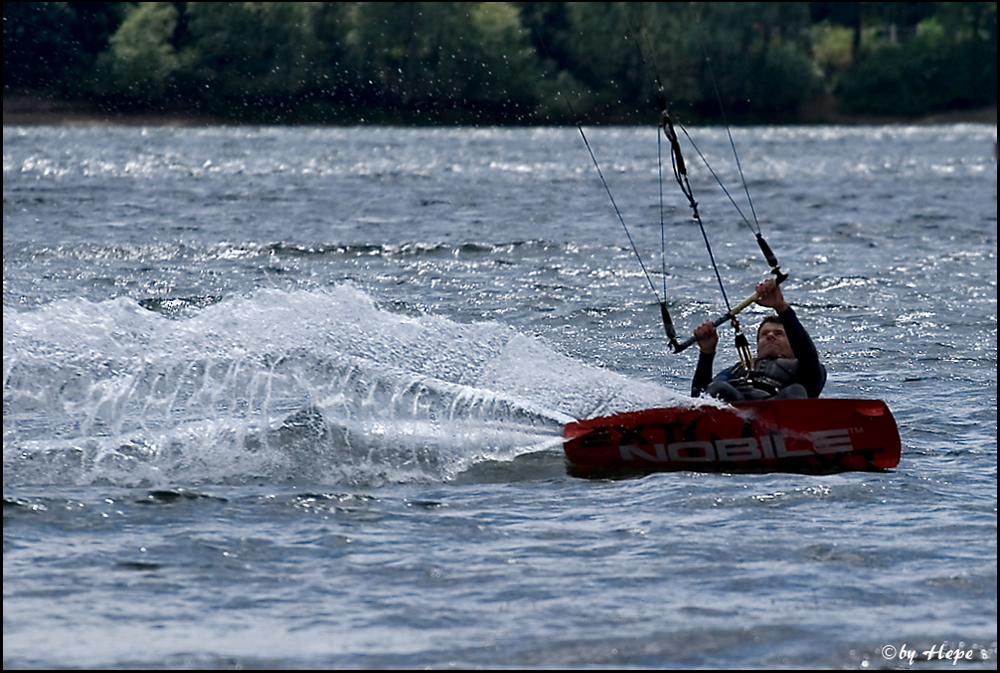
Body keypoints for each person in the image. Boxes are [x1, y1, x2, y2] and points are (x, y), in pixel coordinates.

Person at [691, 278, 826, 401]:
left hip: (776, 406)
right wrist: (707, 353)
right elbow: (699, 396)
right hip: (735, 407)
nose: (770, 336)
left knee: (796, 390)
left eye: (779, 334)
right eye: (764, 334)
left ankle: (794, 425)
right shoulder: (732, 371)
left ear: (793, 345)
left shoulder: (806, 370)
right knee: (717, 388)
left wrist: (782, 308)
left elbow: (808, 356)